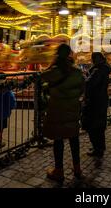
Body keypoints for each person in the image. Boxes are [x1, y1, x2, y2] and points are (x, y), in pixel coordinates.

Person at [41, 44, 85, 182]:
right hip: (72, 109)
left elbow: (41, 78)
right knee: (74, 139)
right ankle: (77, 168)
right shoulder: (77, 72)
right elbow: (82, 88)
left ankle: (59, 170)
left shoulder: (54, 71)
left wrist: (48, 87)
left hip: (57, 109)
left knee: (58, 139)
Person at [82, 52, 111, 158]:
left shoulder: (98, 70)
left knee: (93, 126)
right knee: (99, 125)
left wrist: (84, 77)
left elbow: (90, 83)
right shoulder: (104, 69)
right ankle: (100, 147)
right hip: (101, 99)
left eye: (94, 58)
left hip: (95, 101)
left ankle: (97, 149)